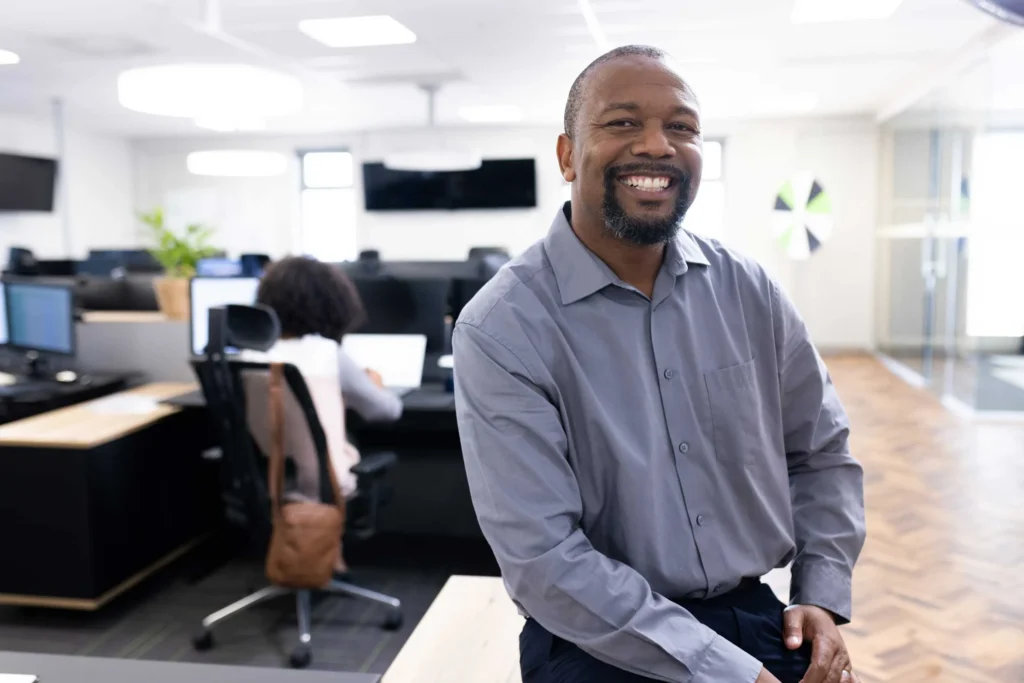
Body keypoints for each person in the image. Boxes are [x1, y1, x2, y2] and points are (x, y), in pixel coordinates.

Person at [452, 45, 865, 683]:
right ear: (567, 155)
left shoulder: (747, 289)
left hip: (755, 614)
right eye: (622, 123)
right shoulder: (501, 326)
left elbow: (822, 452)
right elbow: (545, 561)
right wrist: (732, 674)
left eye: (682, 127)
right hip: (591, 639)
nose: (658, 145)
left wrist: (820, 591)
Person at [248, 256, 402, 497]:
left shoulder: (251, 354)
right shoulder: (326, 353)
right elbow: (386, 411)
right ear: (332, 304)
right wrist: (375, 386)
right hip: (324, 490)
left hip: (267, 488)